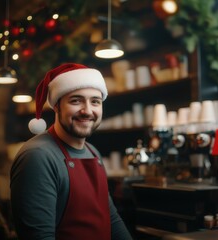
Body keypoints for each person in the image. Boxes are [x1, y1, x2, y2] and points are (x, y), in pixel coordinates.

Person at [10, 63, 133, 240]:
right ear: (57, 106)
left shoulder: (93, 153)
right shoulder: (38, 156)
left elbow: (111, 219)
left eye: (95, 102)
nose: (87, 111)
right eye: (76, 100)